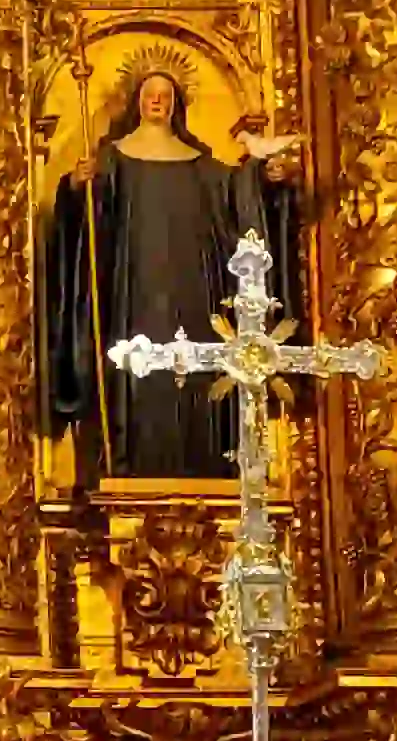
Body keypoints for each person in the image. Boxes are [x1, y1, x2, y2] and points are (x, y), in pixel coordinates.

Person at [40, 61, 301, 479]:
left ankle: (204, 467)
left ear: (177, 104)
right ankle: (126, 466)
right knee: (137, 375)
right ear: (137, 102)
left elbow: (240, 201)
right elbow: (83, 227)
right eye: (149, 93)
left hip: (194, 296)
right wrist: (76, 187)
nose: (157, 99)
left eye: (165, 94)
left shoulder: (202, 167)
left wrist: (265, 178)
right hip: (132, 294)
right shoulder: (113, 159)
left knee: (196, 374)